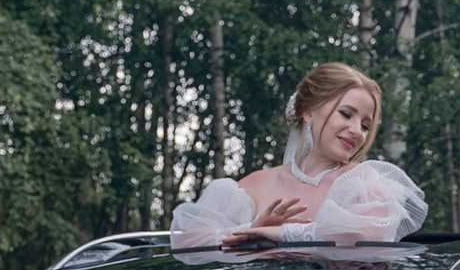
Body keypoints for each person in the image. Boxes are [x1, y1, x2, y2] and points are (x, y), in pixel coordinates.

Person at [169, 63, 428, 250]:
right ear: (308, 111)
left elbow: (372, 234)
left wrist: (281, 233)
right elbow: (186, 242)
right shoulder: (254, 184)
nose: (356, 131)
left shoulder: (362, 181)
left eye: (365, 125)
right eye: (347, 114)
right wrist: (252, 228)